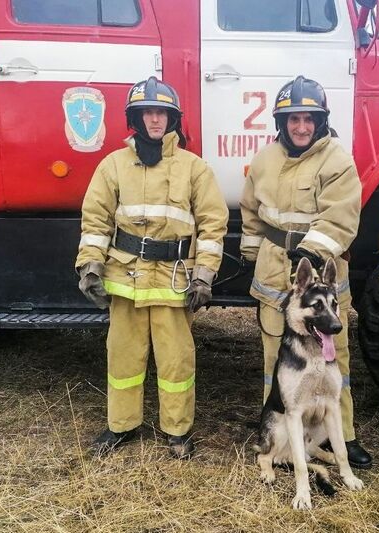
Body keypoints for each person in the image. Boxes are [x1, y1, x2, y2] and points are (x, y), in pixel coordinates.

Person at [76, 76, 228, 458]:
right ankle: (121, 426)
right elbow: (95, 219)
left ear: (172, 119)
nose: (155, 120)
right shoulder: (113, 165)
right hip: (124, 277)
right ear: (136, 118)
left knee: (176, 359)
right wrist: (90, 267)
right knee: (123, 356)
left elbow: (213, 223)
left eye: (161, 113)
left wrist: (204, 274)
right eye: (148, 113)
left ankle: (177, 431)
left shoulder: (194, 168)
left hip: (173, 279)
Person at [240, 75, 372, 469]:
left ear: (320, 121)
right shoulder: (265, 159)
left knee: (334, 362)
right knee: (275, 361)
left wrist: (311, 255)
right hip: (273, 275)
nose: (301, 127)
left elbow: (341, 217)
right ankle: (277, 430)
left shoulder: (336, 158)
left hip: (322, 282)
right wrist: (252, 251)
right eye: (293, 119)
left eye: (308, 119)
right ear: (282, 122)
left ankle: (340, 437)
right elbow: (251, 211)